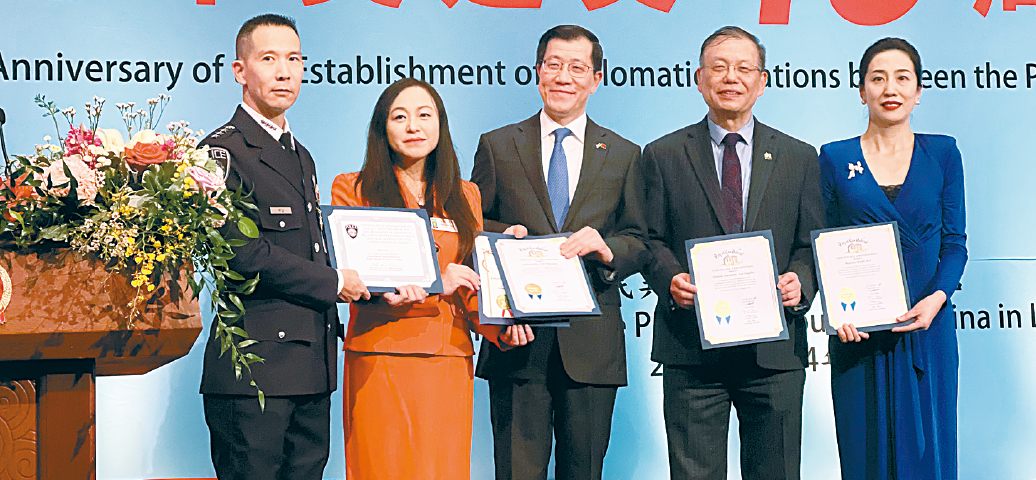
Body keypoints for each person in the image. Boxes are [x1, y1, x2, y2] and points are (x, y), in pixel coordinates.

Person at [639, 26, 823, 480]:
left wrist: (801, 281)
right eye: (719, 68)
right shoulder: (662, 154)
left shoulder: (799, 157)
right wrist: (670, 279)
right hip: (691, 350)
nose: (730, 78)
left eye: (743, 68)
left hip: (774, 353)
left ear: (762, 82)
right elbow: (648, 239)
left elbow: (811, 243)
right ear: (699, 79)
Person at [471, 24, 646, 480]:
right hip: (516, 339)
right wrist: (503, 234)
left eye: (577, 67)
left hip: (592, 346)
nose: (563, 77)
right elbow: (472, 225)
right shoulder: (497, 145)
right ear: (537, 71)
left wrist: (606, 248)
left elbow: (640, 238)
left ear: (596, 79)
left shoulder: (624, 153)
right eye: (553, 65)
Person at [198, 14, 367, 480]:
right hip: (255, 371)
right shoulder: (219, 153)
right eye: (269, 59)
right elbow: (241, 253)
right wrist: (335, 282)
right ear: (240, 70)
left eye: (294, 59)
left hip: (312, 366)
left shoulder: (301, 154)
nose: (284, 72)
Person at [330, 78, 520, 480]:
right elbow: (356, 275)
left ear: (440, 125)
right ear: (382, 128)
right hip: (381, 353)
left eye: (424, 115)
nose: (413, 126)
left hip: (449, 357)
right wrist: (436, 282)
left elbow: (469, 280)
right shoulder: (353, 188)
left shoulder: (465, 194)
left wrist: (503, 325)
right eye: (399, 117)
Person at [822, 37, 967, 480]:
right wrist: (837, 313)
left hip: (928, 328)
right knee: (864, 454)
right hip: (858, 336)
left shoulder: (943, 153)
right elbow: (821, 247)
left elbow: (955, 244)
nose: (890, 88)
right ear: (861, 90)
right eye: (878, 78)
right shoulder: (834, 157)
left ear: (918, 91)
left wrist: (937, 298)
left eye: (903, 78)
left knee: (930, 456)